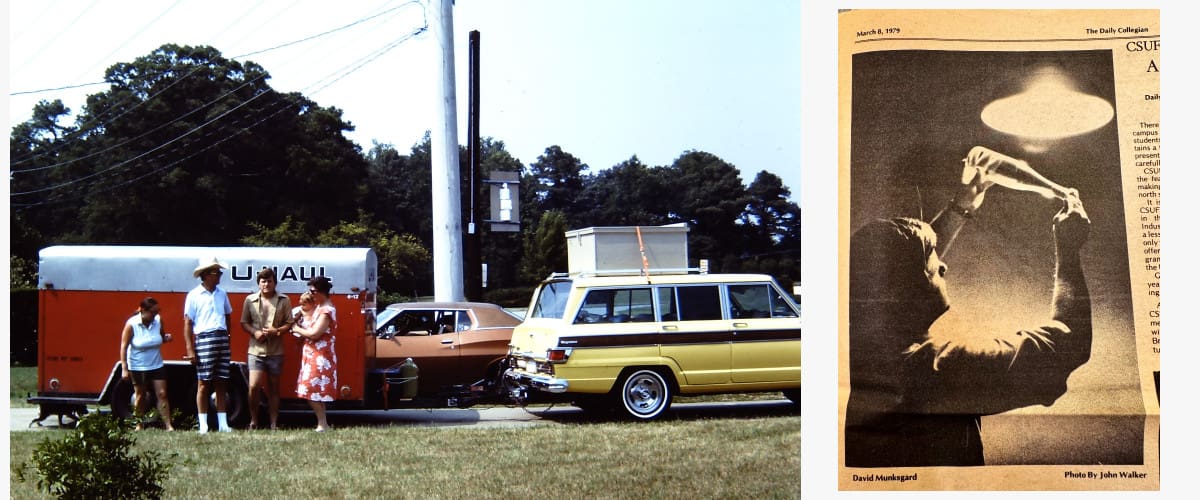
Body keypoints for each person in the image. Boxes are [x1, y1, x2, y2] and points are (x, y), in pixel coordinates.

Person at [845, 154, 1093, 467]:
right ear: (907, 287)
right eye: (935, 268)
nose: (944, 266)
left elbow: (902, 268)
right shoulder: (940, 367)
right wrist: (1069, 251)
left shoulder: (860, 334)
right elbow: (1068, 345)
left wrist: (964, 203)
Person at [183, 257, 235, 433]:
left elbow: (228, 315)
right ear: (206, 275)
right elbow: (188, 323)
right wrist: (190, 349)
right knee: (203, 382)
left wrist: (228, 336)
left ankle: (223, 423)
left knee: (221, 381)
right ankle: (203, 424)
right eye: (216, 272)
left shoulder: (222, 293)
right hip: (204, 337)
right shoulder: (194, 295)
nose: (220, 275)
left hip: (221, 337)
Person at [239, 268, 293, 430]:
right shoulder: (250, 300)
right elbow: (244, 322)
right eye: (263, 281)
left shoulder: (284, 300)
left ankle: (274, 423)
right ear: (259, 283)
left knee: (274, 387)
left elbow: (289, 323)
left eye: (269, 281)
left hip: (276, 351)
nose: (266, 284)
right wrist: (254, 332)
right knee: (253, 386)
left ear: (274, 282)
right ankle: (254, 421)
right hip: (255, 350)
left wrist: (276, 331)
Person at [119, 297, 176, 431]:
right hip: (138, 365)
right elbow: (124, 346)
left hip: (156, 364)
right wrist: (124, 368)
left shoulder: (158, 320)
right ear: (143, 310)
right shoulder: (131, 324)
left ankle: (168, 425)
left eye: (157, 312)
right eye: (153, 312)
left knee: (162, 394)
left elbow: (161, 337)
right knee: (141, 395)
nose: (155, 315)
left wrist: (166, 338)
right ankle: (139, 423)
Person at [292, 276, 338, 432]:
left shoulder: (326, 311)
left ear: (320, 292)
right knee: (315, 390)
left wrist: (296, 329)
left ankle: (322, 424)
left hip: (320, 356)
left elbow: (314, 334)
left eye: (312, 291)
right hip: (314, 354)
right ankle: (322, 423)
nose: (310, 294)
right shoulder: (319, 307)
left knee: (309, 389)